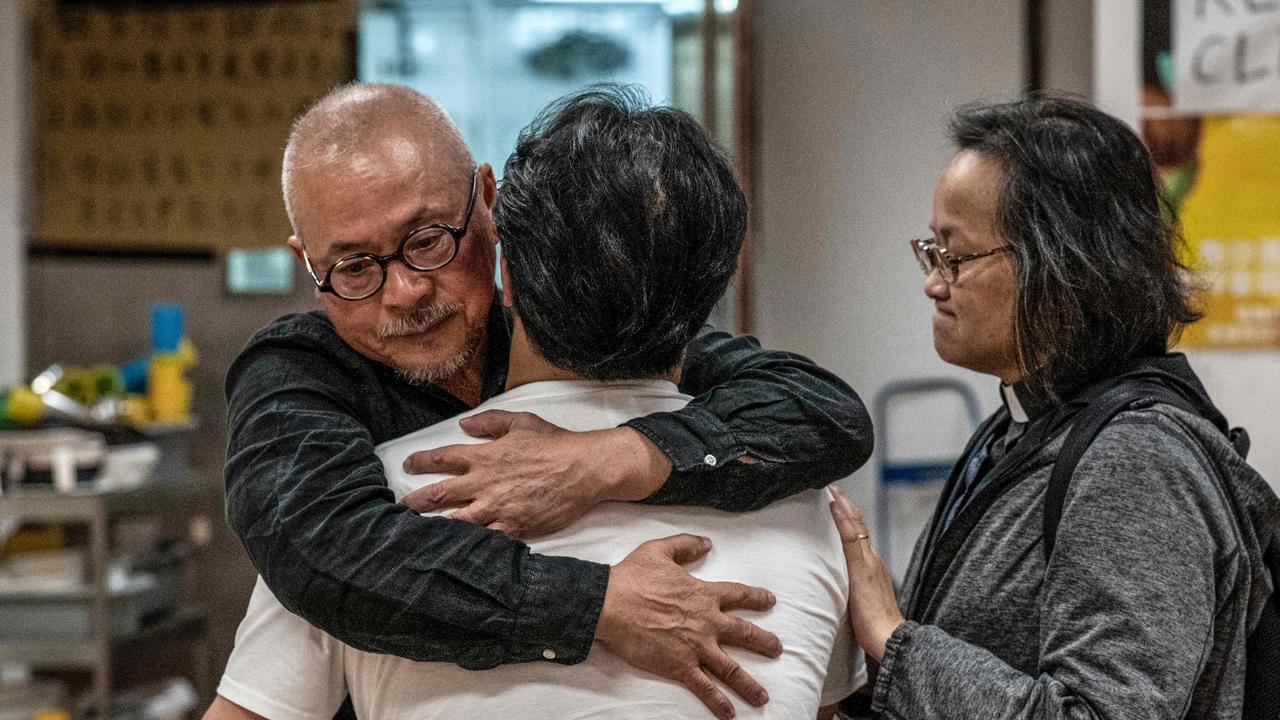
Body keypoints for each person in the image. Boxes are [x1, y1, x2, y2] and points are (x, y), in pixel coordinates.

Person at [218, 83, 873, 720]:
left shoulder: (571, 316)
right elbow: (323, 549)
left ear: (490, 210)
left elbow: (823, 410)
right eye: (356, 268)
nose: (407, 292)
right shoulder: (305, 381)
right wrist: (597, 604)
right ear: (309, 265)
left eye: (426, 241)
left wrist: (608, 459)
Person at [829, 96, 1279, 718]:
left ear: (1064, 264)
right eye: (931, 252)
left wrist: (892, 639)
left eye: (955, 257)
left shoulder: (1136, 462)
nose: (934, 282)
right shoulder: (1021, 423)